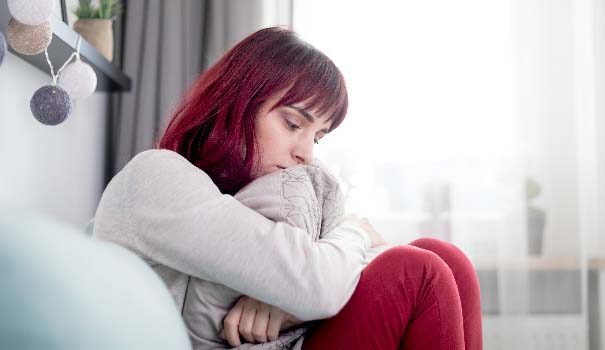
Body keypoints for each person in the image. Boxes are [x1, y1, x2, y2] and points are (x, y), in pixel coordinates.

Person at [93, 27, 483, 350]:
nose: (306, 154)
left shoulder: (256, 195)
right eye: (294, 125)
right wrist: (354, 232)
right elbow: (321, 284)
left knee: (443, 256)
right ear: (237, 102)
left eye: (319, 136)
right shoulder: (157, 177)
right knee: (418, 273)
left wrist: (287, 302)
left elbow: (329, 274)